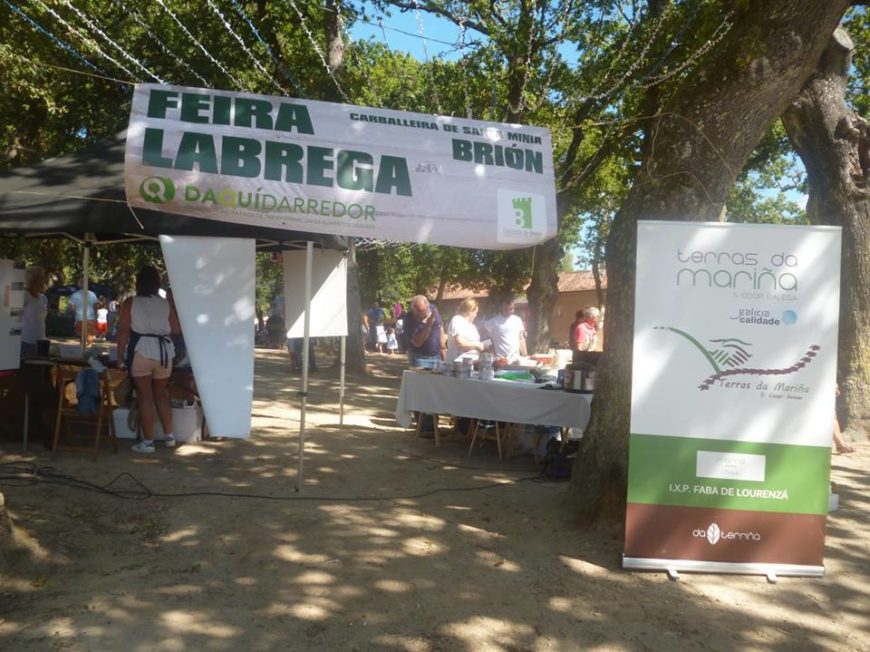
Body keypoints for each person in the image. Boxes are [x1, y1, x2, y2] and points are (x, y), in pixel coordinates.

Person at [117, 265, 180, 453]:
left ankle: (148, 442)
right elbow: (176, 329)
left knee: (145, 397)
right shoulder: (164, 303)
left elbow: (123, 331)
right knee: (161, 395)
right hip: (165, 354)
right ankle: (169, 437)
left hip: (142, 351)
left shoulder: (130, 302)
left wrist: (120, 356)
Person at [403, 295, 445, 368]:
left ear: (428, 306)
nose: (421, 314)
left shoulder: (433, 308)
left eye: (424, 311)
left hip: (437, 356)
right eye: (418, 311)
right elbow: (418, 343)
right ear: (413, 309)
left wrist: (443, 347)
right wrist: (428, 324)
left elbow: (440, 325)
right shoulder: (408, 319)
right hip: (419, 359)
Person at [483, 298, 527, 362]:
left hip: (516, 359)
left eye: (511, 309)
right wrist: (490, 350)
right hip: (500, 360)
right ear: (501, 308)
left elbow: (521, 339)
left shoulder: (517, 320)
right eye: (506, 309)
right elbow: (482, 338)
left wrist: (525, 356)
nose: (509, 311)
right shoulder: (492, 322)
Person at [20, 266, 48, 359]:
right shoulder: (24, 295)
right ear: (33, 279)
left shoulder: (42, 298)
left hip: (40, 341)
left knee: (39, 371)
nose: (44, 280)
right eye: (41, 277)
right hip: (26, 340)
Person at [446, 298, 486, 363]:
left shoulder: (472, 326)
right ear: (470, 311)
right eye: (475, 312)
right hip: (457, 363)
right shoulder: (457, 320)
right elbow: (459, 342)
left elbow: (468, 346)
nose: (476, 315)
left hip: (471, 363)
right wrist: (477, 345)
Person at [68, 277, 98, 344]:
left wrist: (74, 314)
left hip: (79, 318)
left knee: (81, 336)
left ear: (79, 285)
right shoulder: (93, 294)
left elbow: (71, 308)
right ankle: (89, 349)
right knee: (90, 336)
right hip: (91, 318)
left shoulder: (74, 295)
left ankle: (82, 350)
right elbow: (95, 307)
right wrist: (96, 317)